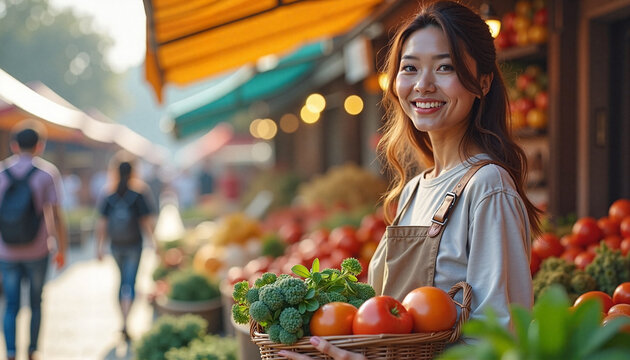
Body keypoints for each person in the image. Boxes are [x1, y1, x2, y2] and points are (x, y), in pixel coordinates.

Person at [279, 1, 542, 359]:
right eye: (410, 68)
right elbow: (379, 324)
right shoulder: (414, 191)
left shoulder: (488, 187)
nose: (423, 84)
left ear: (483, 82)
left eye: (445, 67)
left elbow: (497, 344)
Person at [0, 121, 67, 360]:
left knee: (10, 304)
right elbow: (57, 215)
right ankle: (32, 350)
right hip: (38, 250)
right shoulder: (47, 174)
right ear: (40, 145)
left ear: (14, 145)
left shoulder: (0, 174)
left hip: (6, 251)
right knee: (36, 303)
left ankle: (9, 351)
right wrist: (62, 249)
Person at [94, 156, 156, 342]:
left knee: (121, 282)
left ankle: (122, 320)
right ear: (133, 172)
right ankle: (127, 320)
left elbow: (102, 223)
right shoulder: (138, 194)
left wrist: (99, 247)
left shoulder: (108, 194)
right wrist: (154, 242)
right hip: (134, 244)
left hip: (116, 245)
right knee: (131, 282)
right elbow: (146, 222)